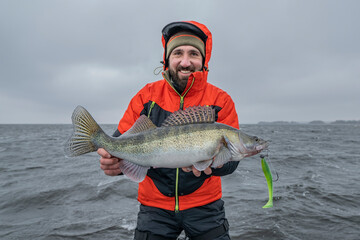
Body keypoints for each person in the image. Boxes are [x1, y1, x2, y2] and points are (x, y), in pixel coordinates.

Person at [98, 21, 239, 240]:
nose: (185, 61)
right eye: (177, 53)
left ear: (204, 60)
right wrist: (114, 163)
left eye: (193, 53)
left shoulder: (221, 101)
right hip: (154, 207)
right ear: (167, 59)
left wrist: (214, 164)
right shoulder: (146, 97)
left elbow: (232, 161)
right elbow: (119, 142)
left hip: (206, 205)